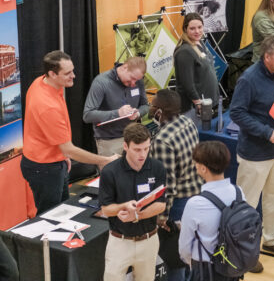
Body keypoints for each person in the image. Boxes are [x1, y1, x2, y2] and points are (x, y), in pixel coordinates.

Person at [230, 35, 274, 273]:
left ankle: (272, 239)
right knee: (248, 205)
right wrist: (265, 131)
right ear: (267, 57)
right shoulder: (248, 80)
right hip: (254, 154)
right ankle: (244, 253)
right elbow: (236, 113)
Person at [21, 51, 118, 213]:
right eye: (67, 73)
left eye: (73, 70)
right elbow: (70, 149)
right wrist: (104, 160)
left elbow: (62, 146)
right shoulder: (48, 107)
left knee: (62, 211)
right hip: (44, 169)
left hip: (51, 162)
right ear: (52, 74)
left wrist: (61, 156)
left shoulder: (41, 81)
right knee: (50, 216)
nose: (73, 75)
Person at [99, 124, 167, 281]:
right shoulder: (110, 171)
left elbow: (161, 204)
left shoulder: (157, 168)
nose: (142, 154)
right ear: (125, 146)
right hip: (119, 242)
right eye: (137, 149)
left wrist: (136, 215)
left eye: (146, 148)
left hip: (148, 240)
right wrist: (124, 206)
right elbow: (106, 209)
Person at [149, 89, 200, 281]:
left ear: (161, 111)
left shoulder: (163, 141)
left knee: (174, 259)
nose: (150, 108)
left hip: (177, 204)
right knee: (189, 254)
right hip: (195, 194)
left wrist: (162, 216)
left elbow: (166, 184)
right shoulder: (188, 122)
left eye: (153, 105)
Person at [178, 141, 240, 280]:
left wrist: (191, 263)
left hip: (206, 270)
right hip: (233, 265)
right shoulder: (238, 192)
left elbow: (184, 247)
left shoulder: (195, 204)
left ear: (203, 168)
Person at [83, 57, 149, 157]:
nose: (133, 84)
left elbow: (145, 105)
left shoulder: (137, 81)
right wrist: (118, 113)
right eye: (132, 78)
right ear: (124, 68)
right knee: (112, 172)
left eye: (137, 80)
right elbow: (87, 115)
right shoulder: (101, 82)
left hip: (133, 138)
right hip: (109, 141)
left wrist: (138, 113)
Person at [173, 13, 219, 125]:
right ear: (185, 29)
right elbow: (187, 83)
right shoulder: (185, 51)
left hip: (207, 104)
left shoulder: (199, 42)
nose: (197, 31)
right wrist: (198, 104)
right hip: (194, 109)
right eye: (192, 28)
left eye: (199, 27)